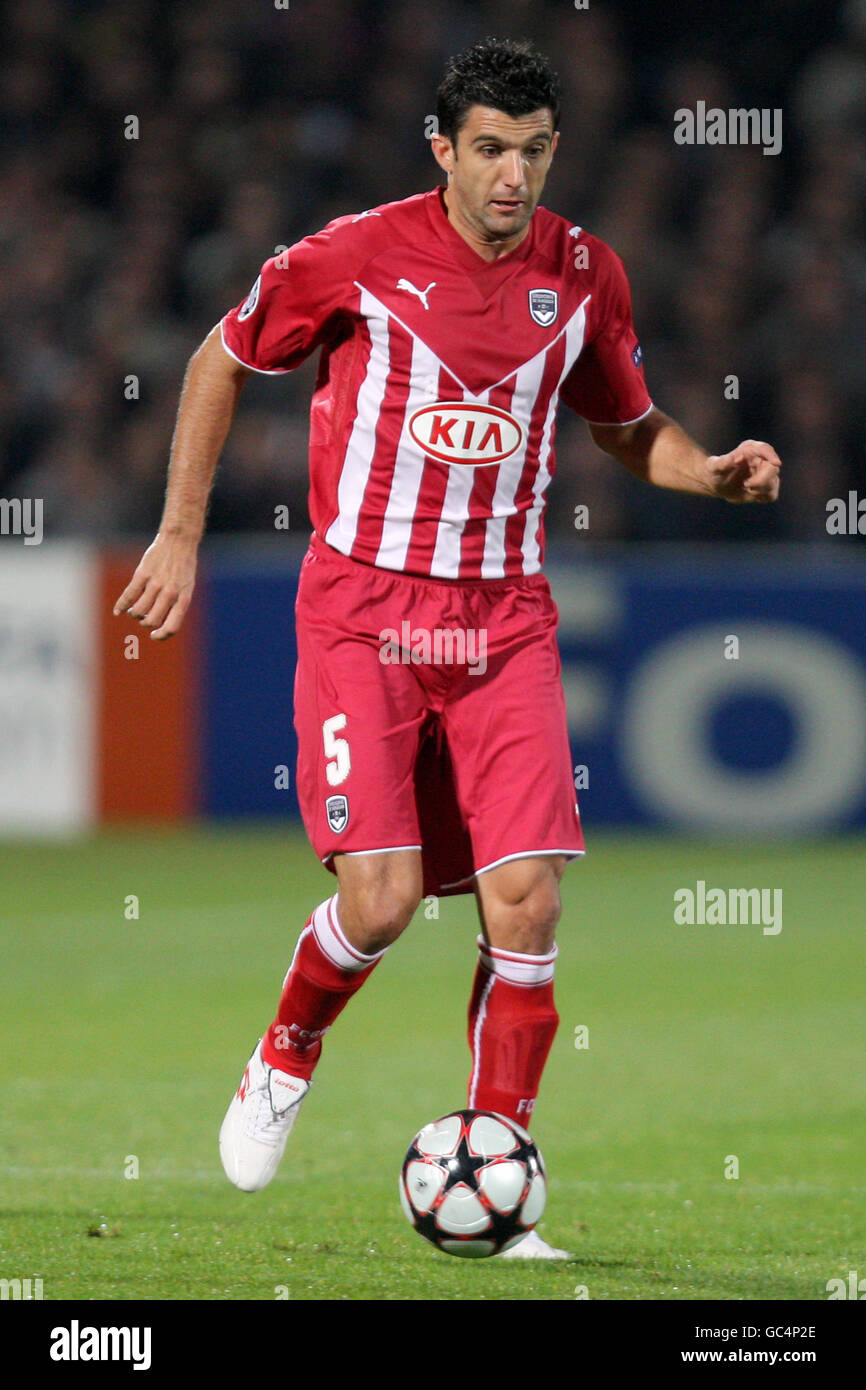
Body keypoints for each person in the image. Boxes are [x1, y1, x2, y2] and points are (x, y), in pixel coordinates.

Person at [114, 37, 781, 1258]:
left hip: (502, 621)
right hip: (364, 612)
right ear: (442, 149)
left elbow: (629, 430)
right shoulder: (353, 255)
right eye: (488, 149)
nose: (512, 174)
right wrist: (178, 531)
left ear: (552, 151)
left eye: (531, 150)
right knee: (382, 899)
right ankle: (287, 1046)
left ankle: (500, 1164)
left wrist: (711, 472)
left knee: (526, 899)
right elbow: (219, 356)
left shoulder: (584, 274)